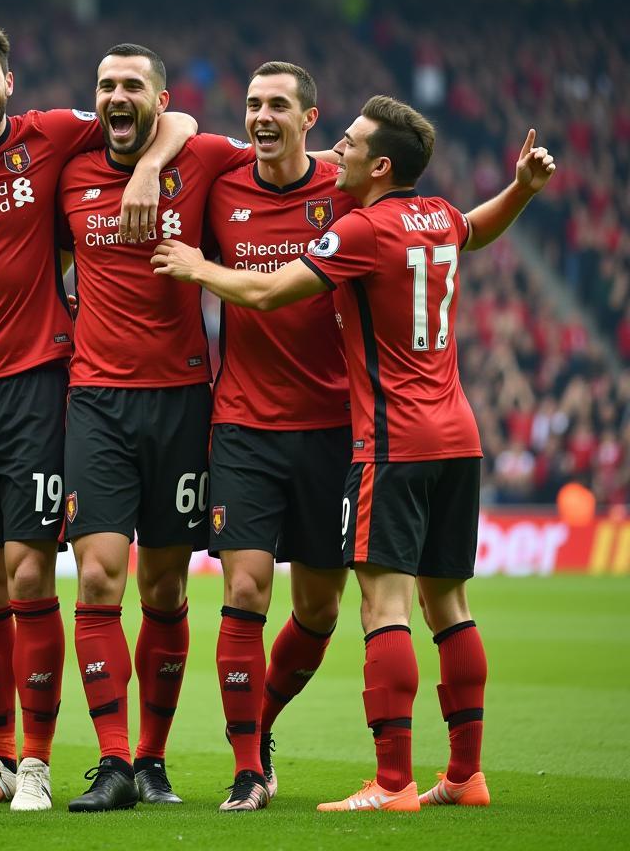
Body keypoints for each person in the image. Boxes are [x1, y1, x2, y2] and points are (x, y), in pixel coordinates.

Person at [153, 95, 556, 812]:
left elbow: (274, 292)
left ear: (378, 165)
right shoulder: (433, 213)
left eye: (348, 142)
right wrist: (521, 190)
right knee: (451, 606)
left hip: (392, 440)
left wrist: (196, 267)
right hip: (459, 436)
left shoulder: (363, 229)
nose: (335, 151)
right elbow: (476, 229)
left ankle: (393, 782)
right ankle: (465, 775)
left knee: (383, 608)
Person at [0, 15, 197, 811]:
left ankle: (37, 764)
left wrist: (151, 166)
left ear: (9, 82)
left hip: (42, 383)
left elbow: (177, 118)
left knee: (31, 574)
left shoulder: (54, 136)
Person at [58, 44, 254, 812]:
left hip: (180, 401)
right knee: (100, 576)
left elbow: (203, 129)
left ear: (158, 97)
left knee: (165, 587)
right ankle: (110, 763)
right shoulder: (67, 165)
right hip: (97, 400)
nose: (116, 96)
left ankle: (152, 760)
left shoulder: (197, 156)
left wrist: (152, 167)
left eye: (132, 86)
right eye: (105, 84)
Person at [202, 62, 355, 811]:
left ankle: (260, 724)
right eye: (253, 103)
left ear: (310, 118)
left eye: (277, 106)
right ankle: (245, 769)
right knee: (244, 587)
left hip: (333, 430)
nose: (262, 116)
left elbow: (437, 226)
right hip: (243, 425)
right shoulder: (222, 183)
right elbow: (169, 137)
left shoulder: (343, 188)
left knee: (320, 610)